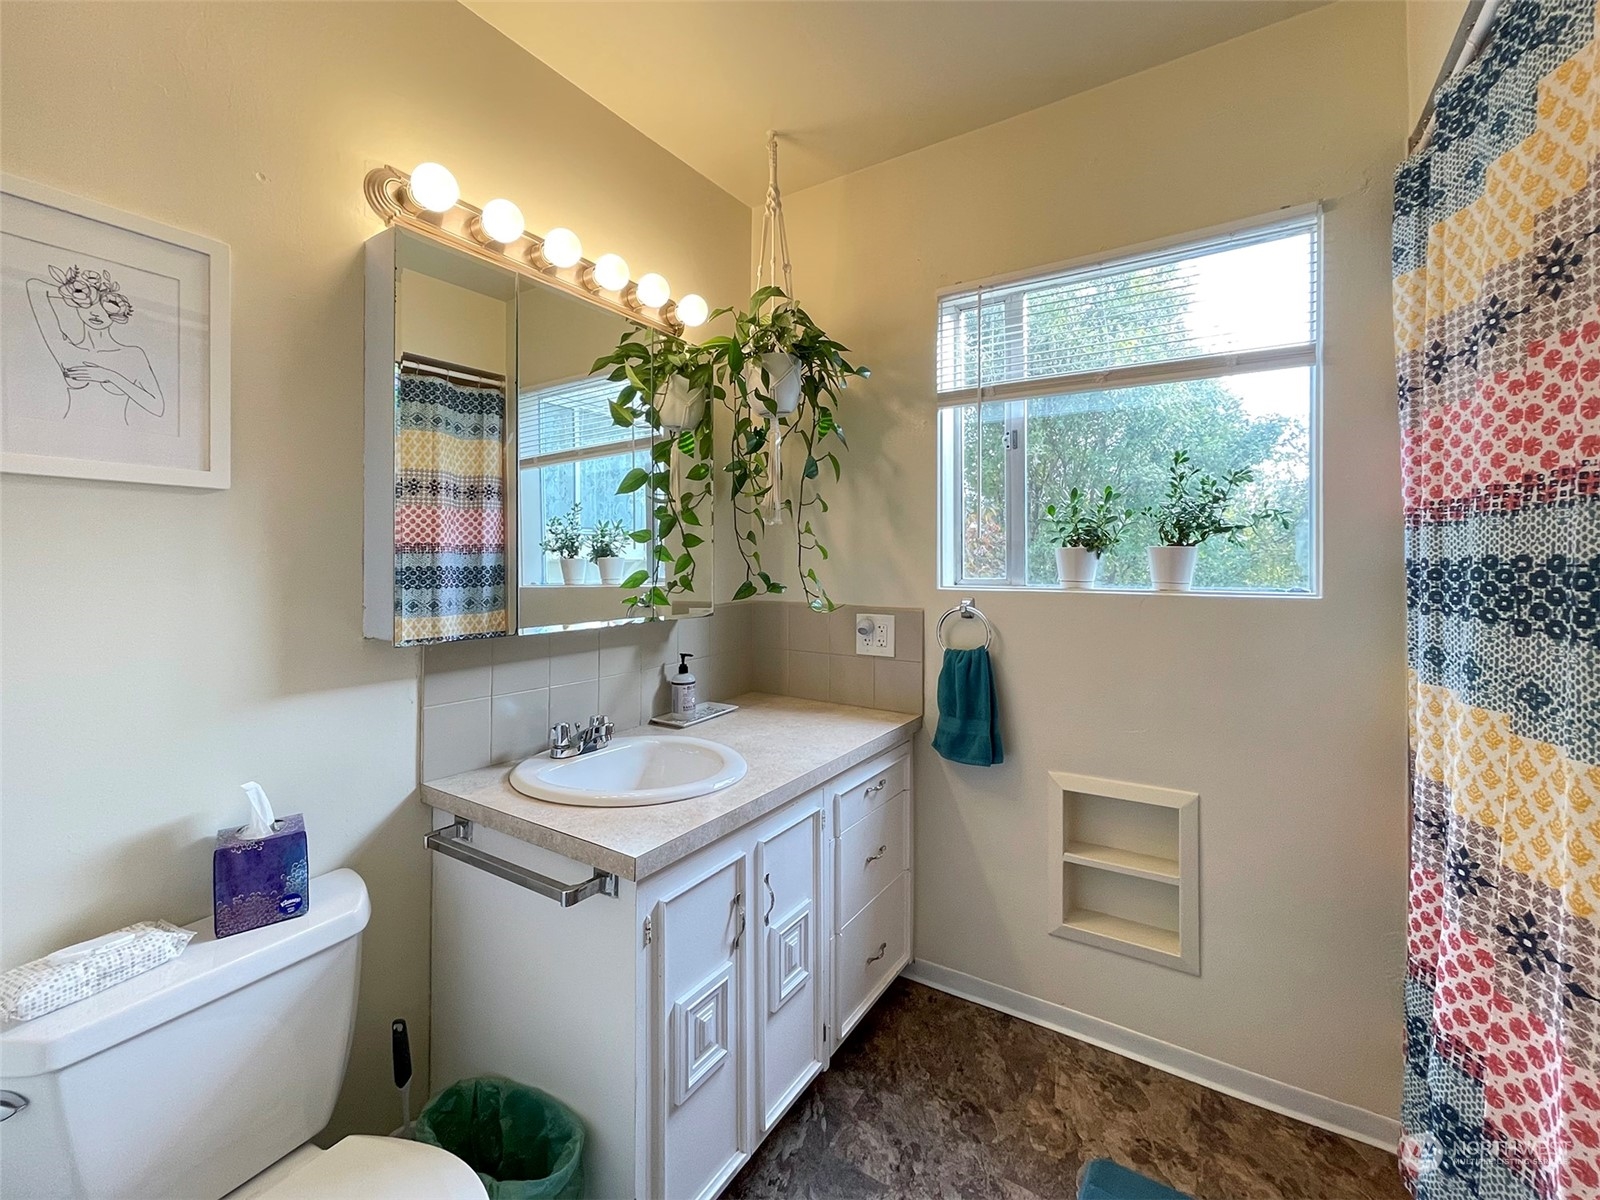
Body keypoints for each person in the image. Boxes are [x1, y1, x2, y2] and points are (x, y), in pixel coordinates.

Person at [26, 264, 164, 422]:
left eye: (106, 307)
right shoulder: (65, 349)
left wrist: (110, 376)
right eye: (89, 304)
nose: (95, 312)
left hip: (119, 440)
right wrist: (76, 292)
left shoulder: (132, 355)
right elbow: (34, 287)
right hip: (67, 435)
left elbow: (157, 407)